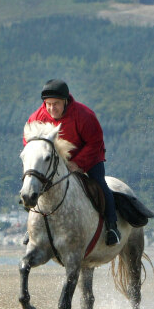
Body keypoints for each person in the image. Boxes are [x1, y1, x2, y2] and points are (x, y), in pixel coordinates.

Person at [25, 79, 120, 246]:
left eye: (56, 104)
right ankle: (33, 230)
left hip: (89, 156)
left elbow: (95, 142)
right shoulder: (37, 117)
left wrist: (78, 163)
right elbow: (30, 142)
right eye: (48, 104)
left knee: (99, 184)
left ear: (66, 101)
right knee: (37, 186)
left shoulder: (84, 116)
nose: (52, 109)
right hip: (55, 161)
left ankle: (112, 227)